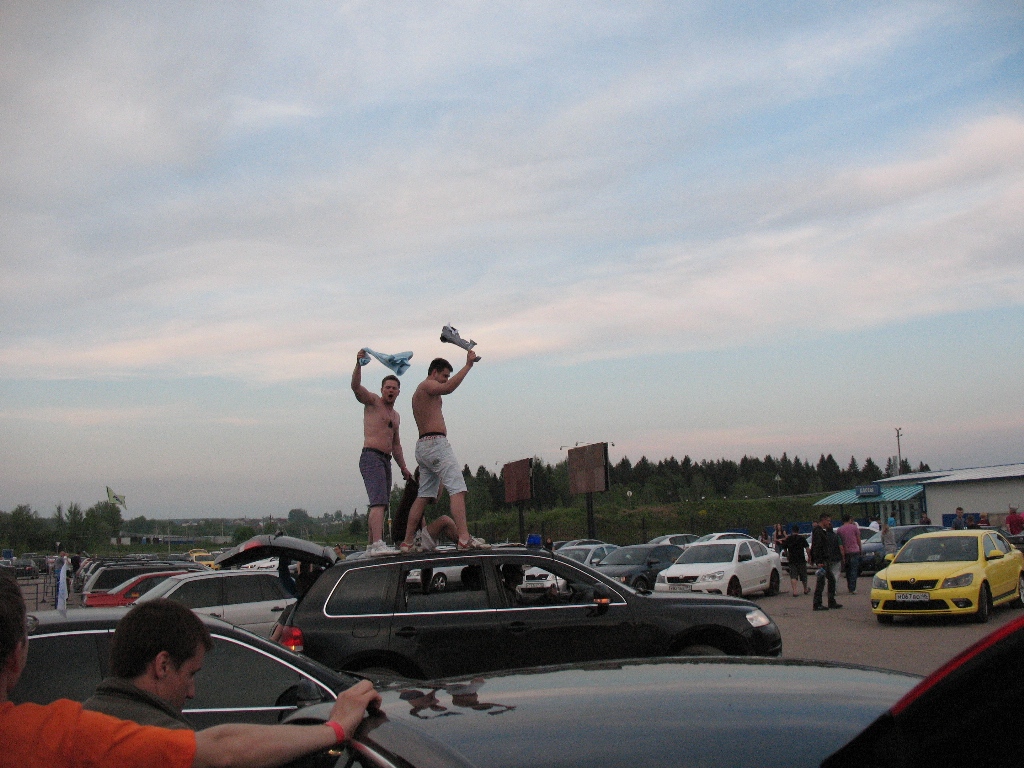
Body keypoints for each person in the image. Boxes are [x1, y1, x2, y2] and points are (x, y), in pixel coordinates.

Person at [0, 574, 382, 768]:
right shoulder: (70, 737)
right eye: (192, 673)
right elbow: (219, 751)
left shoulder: (86, 716)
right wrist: (335, 728)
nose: (193, 691)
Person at [400, 352, 488, 552]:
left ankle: (408, 541)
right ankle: (464, 538)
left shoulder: (423, 392)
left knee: (424, 495)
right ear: (434, 372)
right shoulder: (426, 386)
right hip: (435, 444)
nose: (446, 380)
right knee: (457, 489)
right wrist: (468, 365)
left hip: (424, 446)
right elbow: (448, 388)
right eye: (444, 375)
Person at [83, 599, 210, 729]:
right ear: (163, 665)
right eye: (190, 674)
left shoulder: (77, 725)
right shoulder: (170, 735)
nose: (191, 693)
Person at [352, 350, 413, 556]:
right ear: (381, 390)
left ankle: (372, 545)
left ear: (398, 392)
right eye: (387, 387)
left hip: (386, 460)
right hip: (371, 456)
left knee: (382, 504)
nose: (390, 390)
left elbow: (396, 445)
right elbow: (356, 388)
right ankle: (378, 542)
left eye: (394, 388)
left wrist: (403, 467)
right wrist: (358, 364)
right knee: (378, 502)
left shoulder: (395, 416)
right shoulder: (373, 402)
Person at [810, 513, 843, 611]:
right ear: (823, 520)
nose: (829, 523)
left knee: (830, 579)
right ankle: (818, 603)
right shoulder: (818, 532)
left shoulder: (820, 531)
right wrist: (819, 561)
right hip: (822, 561)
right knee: (821, 582)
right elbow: (817, 547)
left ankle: (830, 601)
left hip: (824, 560)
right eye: (828, 520)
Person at [835, 515, 861, 595]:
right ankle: (853, 588)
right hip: (854, 550)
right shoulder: (854, 527)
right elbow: (858, 539)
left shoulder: (839, 530)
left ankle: (849, 586)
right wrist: (860, 548)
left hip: (845, 552)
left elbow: (839, 542)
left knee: (848, 570)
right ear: (849, 519)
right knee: (854, 569)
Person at [782, 525, 810, 596]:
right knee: (803, 575)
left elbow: (784, 548)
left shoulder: (788, 539)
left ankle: (795, 591)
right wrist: (809, 557)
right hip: (801, 559)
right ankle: (805, 589)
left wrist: (787, 555)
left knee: (793, 576)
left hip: (792, 559)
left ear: (792, 531)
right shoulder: (802, 538)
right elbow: (807, 548)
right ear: (798, 531)